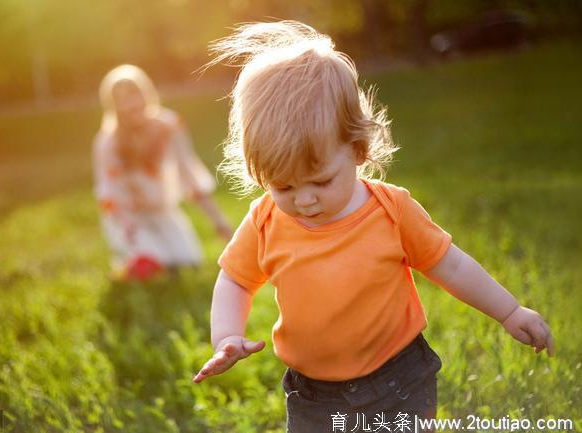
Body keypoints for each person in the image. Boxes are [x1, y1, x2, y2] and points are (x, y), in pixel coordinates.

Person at [192, 21, 555, 431]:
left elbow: (449, 265)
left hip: (398, 378)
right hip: (315, 395)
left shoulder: (391, 209)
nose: (305, 199)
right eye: (283, 186)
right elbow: (235, 280)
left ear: (358, 148)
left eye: (321, 181)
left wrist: (508, 311)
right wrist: (226, 335)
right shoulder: (265, 219)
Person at [93, 64, 232, 280]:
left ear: (146, 93)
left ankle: (143, 257)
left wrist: (218, 220)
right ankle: (128, 259)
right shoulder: (107, 142)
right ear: (112, 105)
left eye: (134, 94)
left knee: (187, 262)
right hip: (130, 218)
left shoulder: (170, 125)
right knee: (154, 268)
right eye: (121, 99)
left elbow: (189, 174)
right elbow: (107, 192)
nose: (131, 104)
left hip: (163, 212)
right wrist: (126, 228)